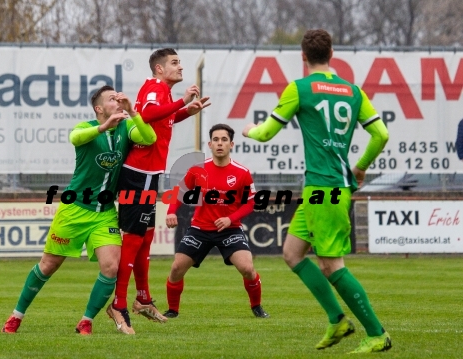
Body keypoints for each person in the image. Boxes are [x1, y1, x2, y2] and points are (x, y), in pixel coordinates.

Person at [242, 29, 392, 353]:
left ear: (303, 56)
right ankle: (336, 319)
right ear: (332, 53)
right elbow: (380, 134)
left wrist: (250, 131)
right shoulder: (353, 91)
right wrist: (361, 166)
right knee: (292, 253)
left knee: (331, 265)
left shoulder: (300, 88)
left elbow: (266, 133)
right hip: (322, 186)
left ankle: (377, 332)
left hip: (327, 188)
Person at [1, 85, 156, 336]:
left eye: (119, 97)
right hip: (75, 209)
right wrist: (103, 128)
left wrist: (133, 111)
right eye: (112, 99)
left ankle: (86, 321)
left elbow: (149, 138)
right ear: (99, 109)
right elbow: (75, 138)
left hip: (104, 211)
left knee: (110, 267)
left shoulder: (127, 128)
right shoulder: (85, 128)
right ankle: (16, 315)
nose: (118, 101)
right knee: (48, 265)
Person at [108, 48, 210, 331]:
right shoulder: (155, 87)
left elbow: (160, 120)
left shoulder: (162, 91)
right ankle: (119, 305)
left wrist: (185, 112)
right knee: (133, 239)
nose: (180, 67)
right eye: (174, 63)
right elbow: (150, 113)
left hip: (150, 174)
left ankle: (143, 299)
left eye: (180, 62)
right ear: (159, 69)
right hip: (137, 175)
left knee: (146, 237)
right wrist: (183, 100)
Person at [163, 123, 269, 319]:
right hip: (200, 229)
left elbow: (251, 202)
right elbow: (178, 192)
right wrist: (171, 212)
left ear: (232, 145)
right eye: (216, 140)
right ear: (210, 144)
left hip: (230, 229)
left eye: (224, 140)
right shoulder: (198, 170)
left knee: (247, 268)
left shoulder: (242, 172)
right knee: (177, 268)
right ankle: (172, 311)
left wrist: (231, 218)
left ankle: (257, 307)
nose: (220, 144)